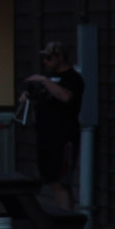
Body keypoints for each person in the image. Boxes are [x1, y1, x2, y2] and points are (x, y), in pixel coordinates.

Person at [23, 41, 83, 210]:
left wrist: (44, 81)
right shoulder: (49, 77)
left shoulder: (73, 78)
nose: (46, 62)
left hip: (64, 137)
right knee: (52, 181)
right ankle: (63, 224)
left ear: (60, 57)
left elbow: (66, 97)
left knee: (62, 183)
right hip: (45, 136)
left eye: (49, 58)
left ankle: (66, 227)